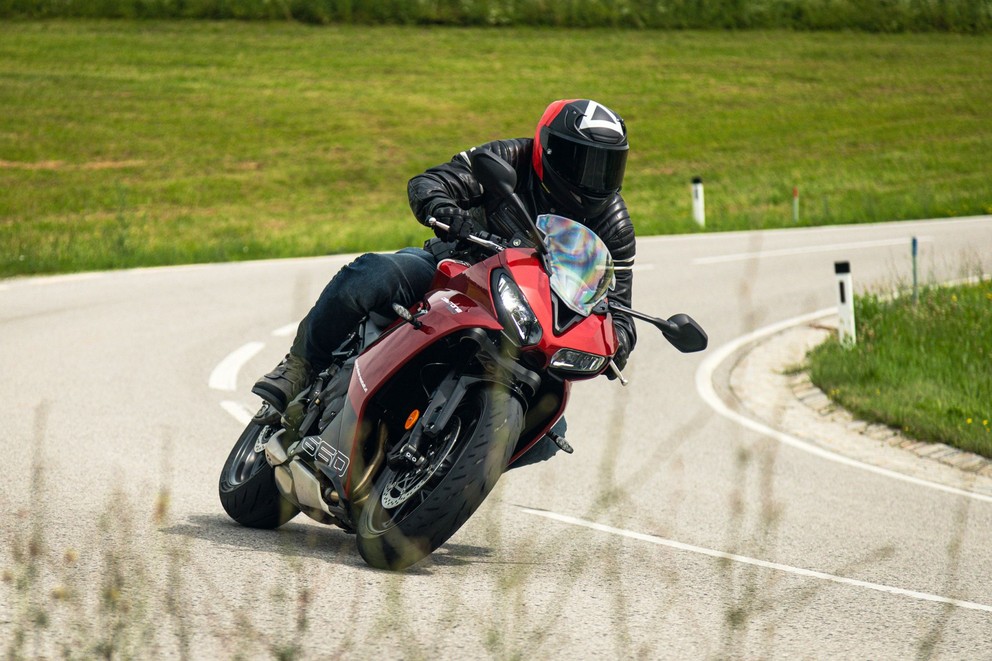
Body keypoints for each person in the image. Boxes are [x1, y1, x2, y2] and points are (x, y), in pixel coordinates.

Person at [252, 99, 638, 443]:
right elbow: (431, 182)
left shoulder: (614, 225)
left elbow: (618, 307)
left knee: (551, 427)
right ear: (548, 148)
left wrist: (616, 341)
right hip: (456, 265)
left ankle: (452, 461)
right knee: (373, 274)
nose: (592, 179)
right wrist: (447, 211)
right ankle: (300, 366)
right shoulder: (510, 158)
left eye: (606, 166)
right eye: (580, 161)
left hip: (531, 315)